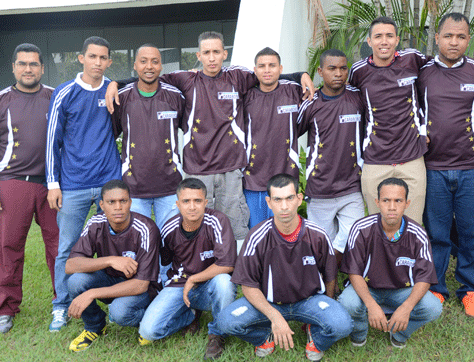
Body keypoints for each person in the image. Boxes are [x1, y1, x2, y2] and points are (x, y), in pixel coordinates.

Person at [106, 31, 315, 243]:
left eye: (216, 52)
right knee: (198, 229)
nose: (212, 57)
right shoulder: (185, 79)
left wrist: (300, 75)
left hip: (232, 171)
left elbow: (267, 75)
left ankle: (237, 274)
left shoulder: (238, 76)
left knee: (236, 229)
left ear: (225, 54)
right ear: (198, 55)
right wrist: (118, 83)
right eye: (206, 52)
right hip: (198, 170)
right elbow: (149, 76)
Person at [216, 174, 352, 362]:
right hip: (269, 302)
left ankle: (316, 337)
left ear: (299, 198)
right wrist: (275, 317)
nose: (285, 206)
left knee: (343, 325)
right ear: (269, 202)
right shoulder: (257, 236)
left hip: (309, 301)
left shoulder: (318, 235)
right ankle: (264, 336)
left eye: (289, 198)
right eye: (278, 200)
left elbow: (330, 277)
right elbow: (247, 285)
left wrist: (324, 312)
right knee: (225, 322)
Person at [0, 43, 59, 334]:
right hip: (12, 184)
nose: (28, 69)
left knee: (59, 247)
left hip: (51, 185)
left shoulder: (54, 97)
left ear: (42, 68)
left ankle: (63, 302)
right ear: (13, 67)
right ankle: (7, 308)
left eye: (33, 64)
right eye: (22, 64)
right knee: (9, 248)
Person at [416, 12, 474, 317]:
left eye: (461, 37)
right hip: (432, 166)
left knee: (472, 231)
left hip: (472, 166)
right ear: (437, 38)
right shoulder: (422, 73)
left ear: (468, 40)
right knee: (436, 232)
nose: (454, 42)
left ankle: (470, 289)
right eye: (448, 36)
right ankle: (436, 289)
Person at [46, 36, 121, 331]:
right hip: (73, 184)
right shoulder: (65, 93)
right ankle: (61, 306)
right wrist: (53, 183)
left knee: (112, 244)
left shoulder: (113, 89)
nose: (97, 63)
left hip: (108, 184)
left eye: (103, 58)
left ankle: (115, 299)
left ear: (109, 62)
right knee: (67, 247)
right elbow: (52, 141)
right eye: (92, 57)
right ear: (81, 58)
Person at [138, 178, 237, 360]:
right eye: (186, 201)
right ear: (177, 204)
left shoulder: (217, 220)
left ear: (205, 203)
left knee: (224, 282)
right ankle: (190, 316)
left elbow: (227, 264)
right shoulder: (168, 228)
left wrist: (194, 278)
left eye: (197, 201)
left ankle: (217, 333)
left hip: (210, 286)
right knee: (148, 331)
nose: (192, 207)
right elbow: (164, 261)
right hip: (180, 284)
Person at [338, 177, 442, 348]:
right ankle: (359, 331)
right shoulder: (361, 228)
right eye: (386, 200)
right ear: (377, 202)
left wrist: (406, 307)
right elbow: (354, 272)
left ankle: (399, 333)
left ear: (407, 203)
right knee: (347, 302)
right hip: (368, 288)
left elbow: (425, 278)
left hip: (401, 291)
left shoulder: (418, 234)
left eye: (398, 200)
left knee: (433, 307)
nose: (392, 207)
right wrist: (371, 305)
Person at [348, 16, 429, 222]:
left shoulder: (412, 59)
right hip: (376, 160)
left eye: (389, 36)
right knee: (377, 225)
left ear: (397, 40)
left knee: (412, 224)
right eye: (378, 36)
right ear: (369, 41)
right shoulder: (358, 72)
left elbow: (441, 69)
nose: (384, 41)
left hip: (411, 158)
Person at [65, 180, 160, 351]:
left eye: (123, 201)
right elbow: (71, 265)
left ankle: (151, 319)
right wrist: (110, 260)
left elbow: (141, 284)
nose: (118, 207)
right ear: (101, 204)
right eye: (111, 202)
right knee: (75, 281)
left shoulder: (146, 228)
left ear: (130, 202)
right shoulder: (96, 222)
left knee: (119, 313)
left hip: (141, 289)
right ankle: (95, 327)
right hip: (110, 278)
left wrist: (92, 293)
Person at [297, 49, 366, 273]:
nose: (338, 73)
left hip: (352, 185)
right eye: (332, 68)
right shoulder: (310, 103)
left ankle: (339, 276)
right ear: (320, 71)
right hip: (320, 187)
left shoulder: (357, 97)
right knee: (321, 243)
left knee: (351, 235)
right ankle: (325, 285)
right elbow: (288, 132)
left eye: (343, 68)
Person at [112, 43, 185, 229]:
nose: (149, 66)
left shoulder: (175, 96)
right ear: (135, 65)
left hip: (169, 186)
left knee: (168, 241)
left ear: (161, 66)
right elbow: (110, 136)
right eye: (143, 61)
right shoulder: (122, 97)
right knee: (139, 241)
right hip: (134, 187)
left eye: (155, 62)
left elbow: (191, 131)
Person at [243, 47, 302, 229]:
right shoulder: (245, 96)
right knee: (258, 231)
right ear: (255, 70)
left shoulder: (294, 91)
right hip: (254, 179)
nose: (267, 70)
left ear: (281, 69)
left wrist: (302, 75)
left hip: (286, 178)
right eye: (262, 66)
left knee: (285, 232)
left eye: (272, 65)